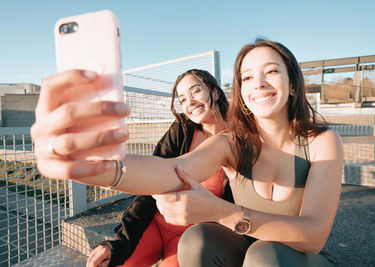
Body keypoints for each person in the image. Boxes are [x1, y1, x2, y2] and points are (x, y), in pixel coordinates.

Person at [32, 38, 343, 266]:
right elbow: (169, 171)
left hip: (300, 258)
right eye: (247, 77)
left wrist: (221, 212)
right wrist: (92, 164)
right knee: (198, 239)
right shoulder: (233, 142)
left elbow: (314, 236)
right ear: (242, 93)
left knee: (266, 256)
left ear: (292, 85)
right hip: (233, 246)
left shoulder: (322, 141)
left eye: (271, 71)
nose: (258, 83)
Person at [86, 69, 232, 267]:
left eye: (196, 91)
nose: (190, 103)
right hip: (155, 224)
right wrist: (118, 244)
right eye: (182, 99)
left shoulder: (238, 140)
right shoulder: (181, 129)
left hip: (191, 238)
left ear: (215, 92)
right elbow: (150, 187)